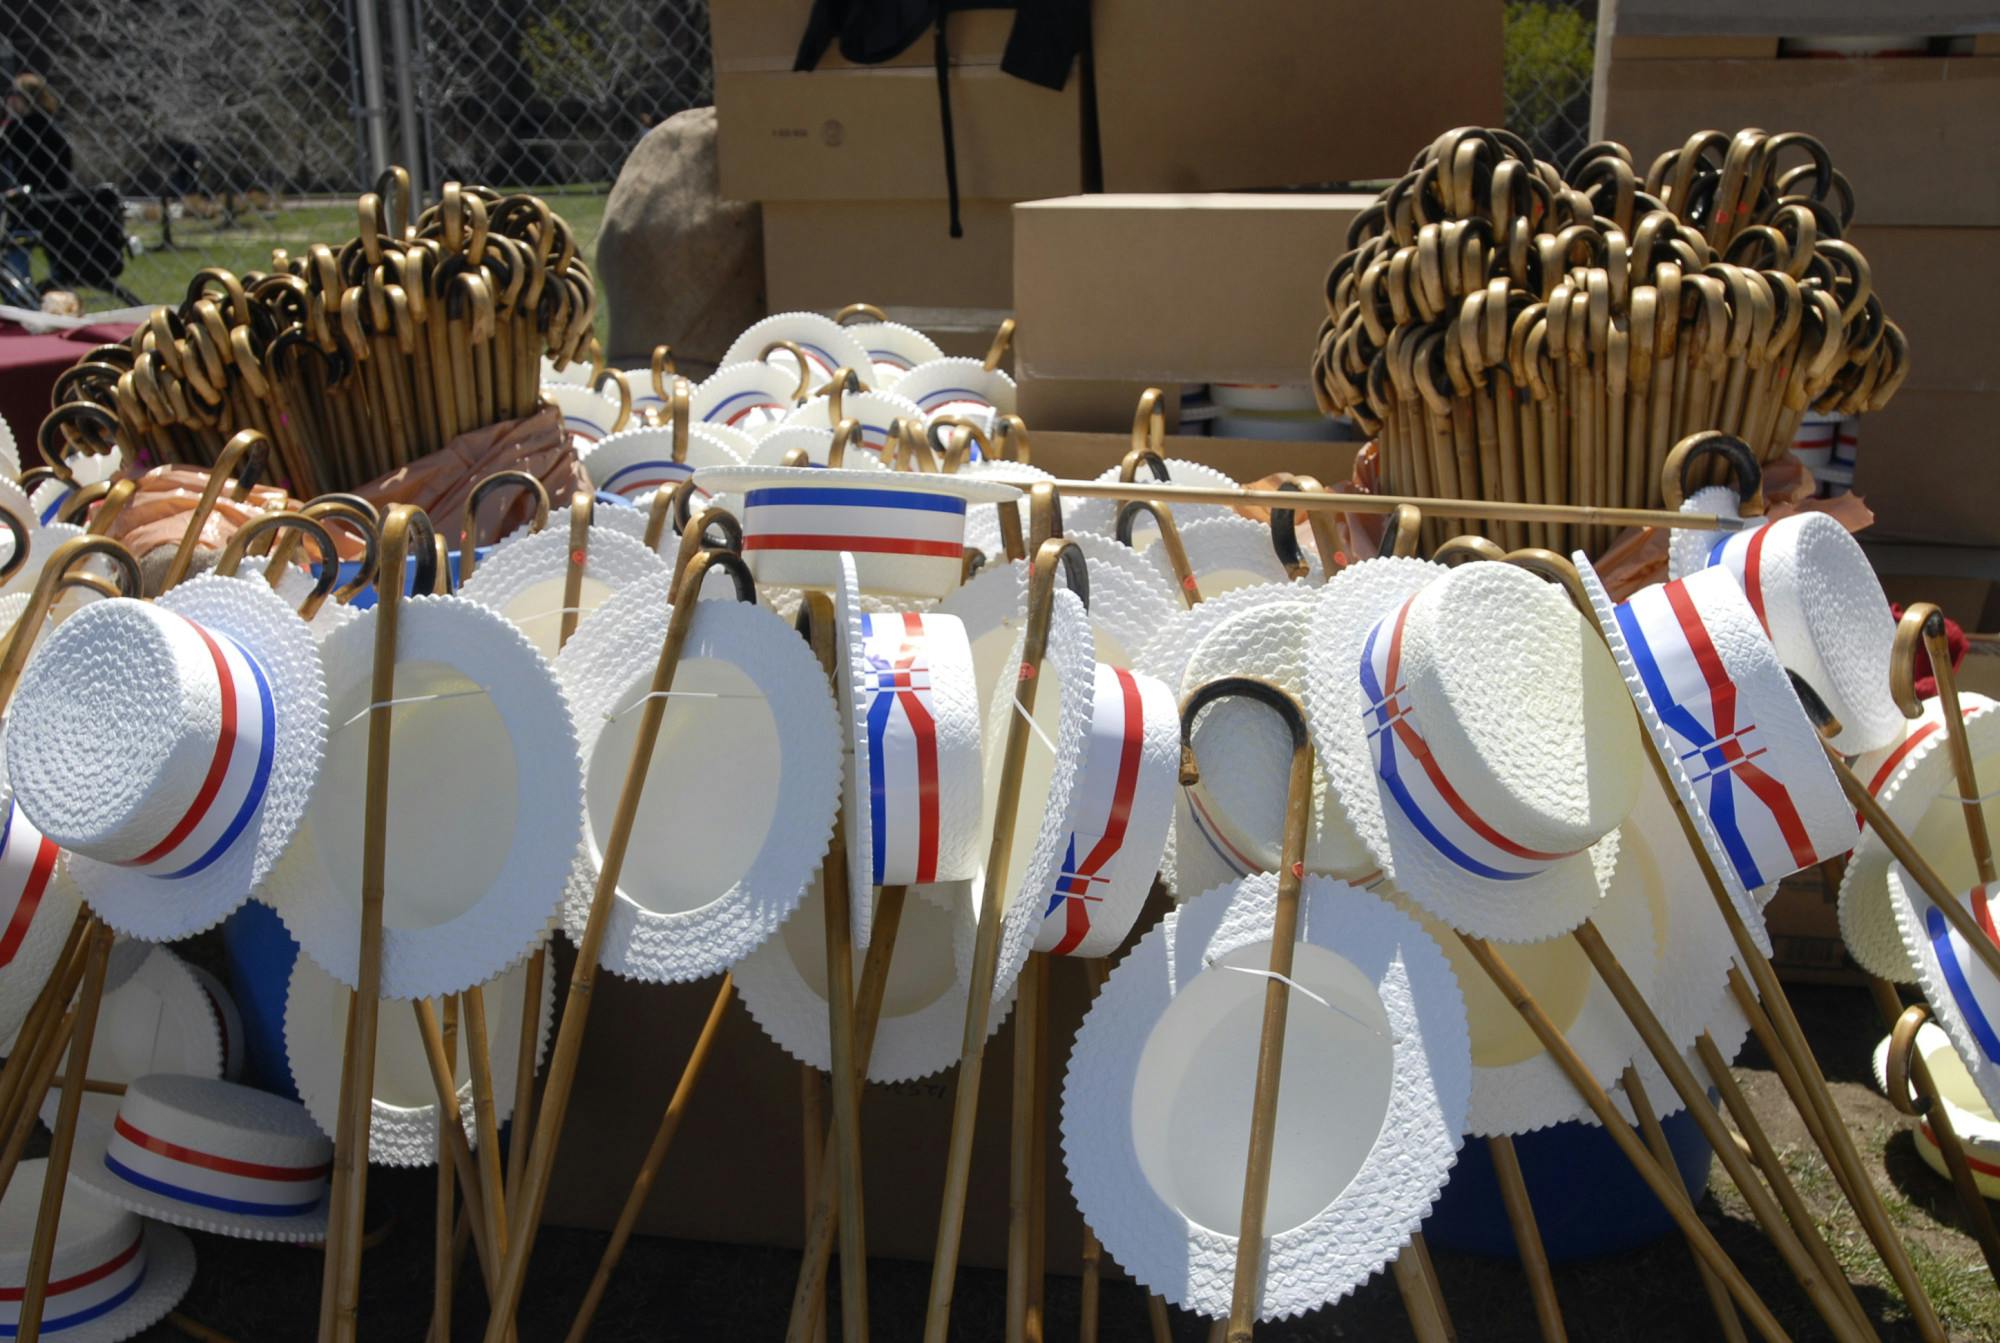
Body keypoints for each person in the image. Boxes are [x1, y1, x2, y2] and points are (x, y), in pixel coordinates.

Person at [2, 73, 76, 282]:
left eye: (13, 93)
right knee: (57, 260)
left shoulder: (17, 128)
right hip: (55, 204)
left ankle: (20, 294)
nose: (8, 99)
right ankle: (57, 290)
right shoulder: (53, 125)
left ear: (25, 98)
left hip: (25, 205)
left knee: (15, 257)